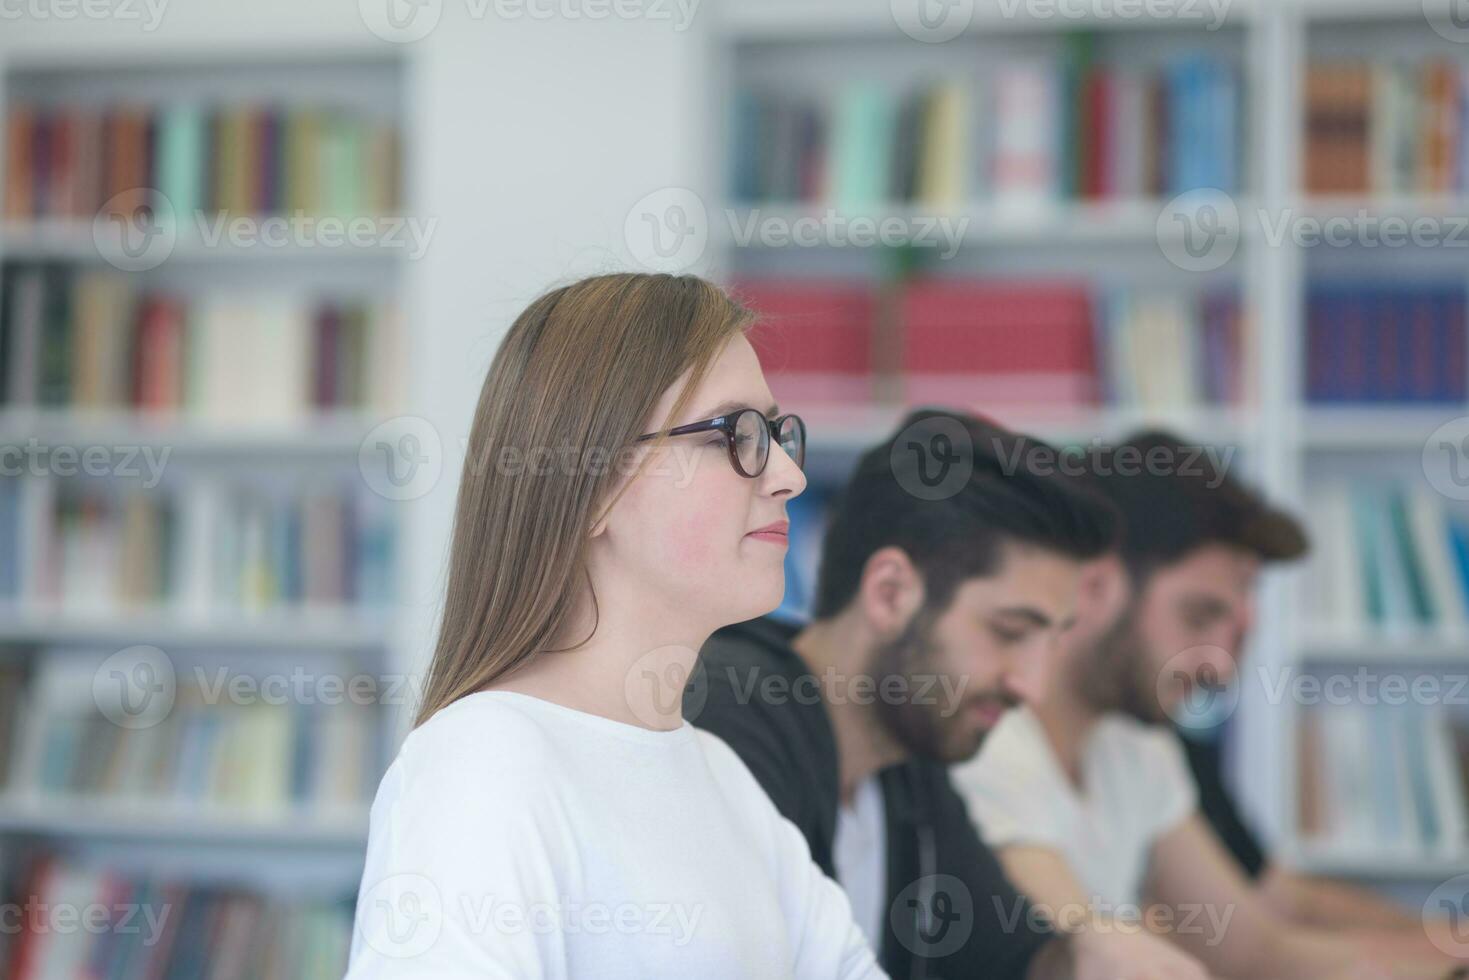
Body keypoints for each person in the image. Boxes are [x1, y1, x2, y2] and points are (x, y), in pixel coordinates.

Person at [345, 273, 885, 978]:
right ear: (591, 487)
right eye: (737, 434)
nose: (787, 474)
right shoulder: (480, 767)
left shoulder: (724, 780)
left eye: (779, 434)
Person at [688, 410, 1213, 980]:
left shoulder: (909, 758)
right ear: (890, 594)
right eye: (1009, 632)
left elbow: (1017, 962)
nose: (1030, 685)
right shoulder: (731, 721)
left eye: (1052, 641)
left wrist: (1090, 953)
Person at [952, 432, 1459, 980]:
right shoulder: (989, 741)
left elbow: (1253, 951)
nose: (1221, 667)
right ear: (1095, 587)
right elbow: (1099, 964)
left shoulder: (1137, 742)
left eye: (1233, 632)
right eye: (1197, 617)